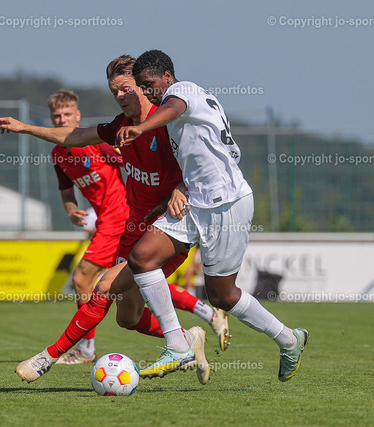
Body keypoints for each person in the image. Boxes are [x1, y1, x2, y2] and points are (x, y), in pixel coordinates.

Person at [0, 55, 230, 385]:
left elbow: (204, 166)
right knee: (128, 318)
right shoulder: (119, 127)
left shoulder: (168, 124)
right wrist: (25, 128)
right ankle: (189, 339)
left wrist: (180, 188)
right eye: (113, 91)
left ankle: (48, 356)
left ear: (143, 87)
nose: (119, 96)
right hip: (131, 229)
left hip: (167, 230)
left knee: (102, 285)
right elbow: (74, 136)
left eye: (125, 89)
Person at [115, 50, 309, 382]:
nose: (147, 92)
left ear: (167, 76)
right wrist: (180, 189)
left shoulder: (183, 92)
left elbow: (175, 107)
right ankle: (177, 345)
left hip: (226, 205)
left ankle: (289, 339)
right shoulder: (186, 106)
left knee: (222, 295)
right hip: (197, 202)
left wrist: (141, 128)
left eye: (149, 84)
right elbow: (215, 154)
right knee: (141, 258)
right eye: (142, 87)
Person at [47, 89, 129, 364]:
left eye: (67, 114)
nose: (62, 119)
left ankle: (86, 350)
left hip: (119, 218)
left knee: (82, 278)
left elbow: (131, 164)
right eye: (57, 116)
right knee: (138, 287)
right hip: (105, 220)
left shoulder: (97, 142)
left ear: (77, 115)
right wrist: (71, 210)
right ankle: (203, 315)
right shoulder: (58, 154)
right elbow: (66, 192)